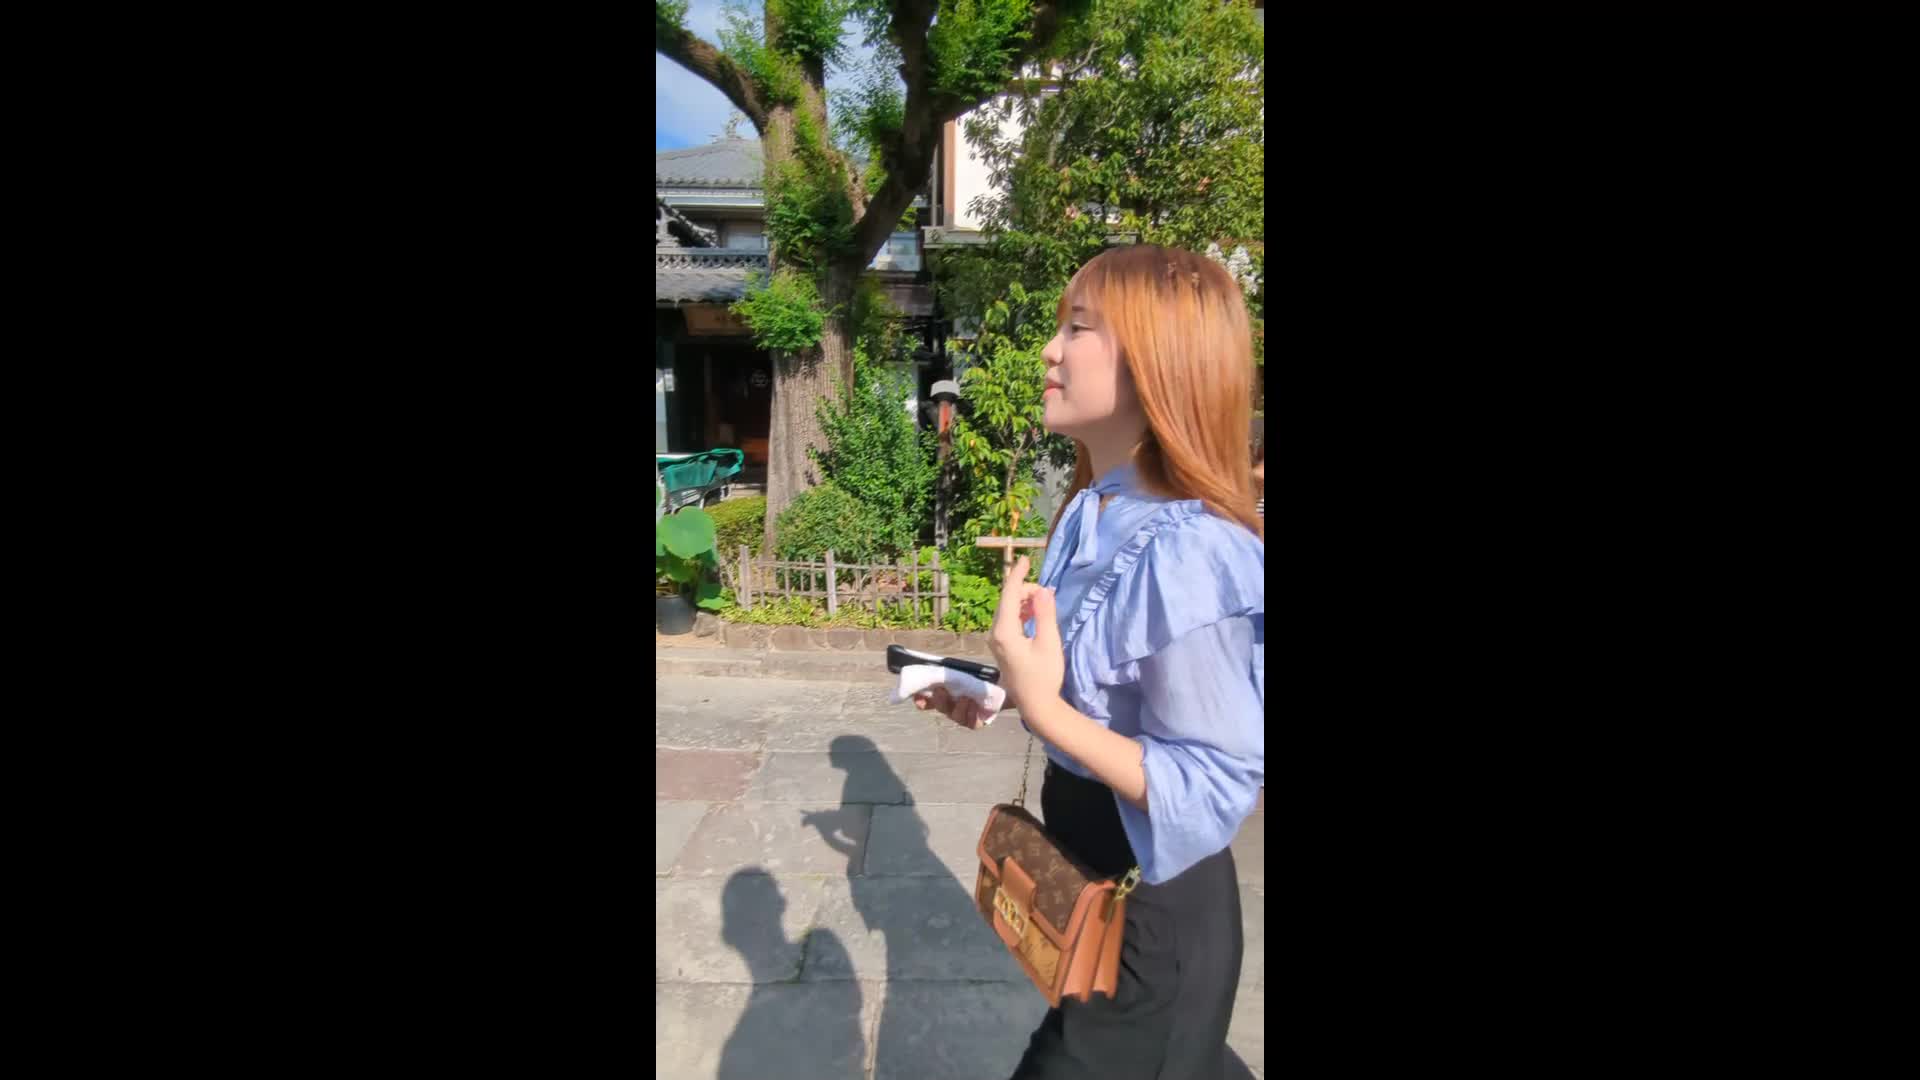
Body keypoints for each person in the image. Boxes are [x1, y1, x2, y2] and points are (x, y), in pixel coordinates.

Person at [914, 244, 1264, 1079]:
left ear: (1158, 362)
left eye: (1078, 329)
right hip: (1090, 895)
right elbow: (1101, 689)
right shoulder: (1090, 509)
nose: (1050, 350)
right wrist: (1003, 691)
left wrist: (1046, 710)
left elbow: (1214, 781)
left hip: (1154, 928)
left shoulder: (1192, 552)